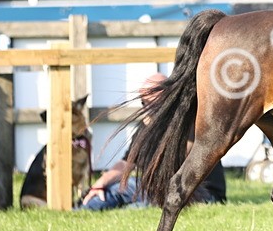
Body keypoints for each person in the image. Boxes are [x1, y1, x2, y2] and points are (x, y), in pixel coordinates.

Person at [78, 72, 227, 210]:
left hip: (202, 193)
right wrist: (100, 184)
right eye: (143, 103)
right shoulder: (149, 123)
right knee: (114, 189)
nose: (147, 108)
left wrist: (158, 129)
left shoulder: (189, 121)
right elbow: (127, 163)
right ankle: (81, 209)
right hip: (159, 188)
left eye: (151, 103)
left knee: (133, 200)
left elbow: (180, 162)